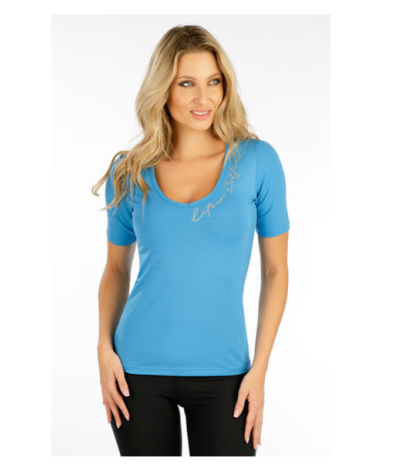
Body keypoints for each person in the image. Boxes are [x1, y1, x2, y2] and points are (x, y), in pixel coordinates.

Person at [91, 24, 290, 457]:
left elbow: (275, 271)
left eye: (213, 82)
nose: (204, 98)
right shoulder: (129, 171)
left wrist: (259, 369)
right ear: (162, 88)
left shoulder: (257, 161)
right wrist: (104, 349)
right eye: (187, 84)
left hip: (227, 372)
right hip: (136, 370)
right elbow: (116, 269)